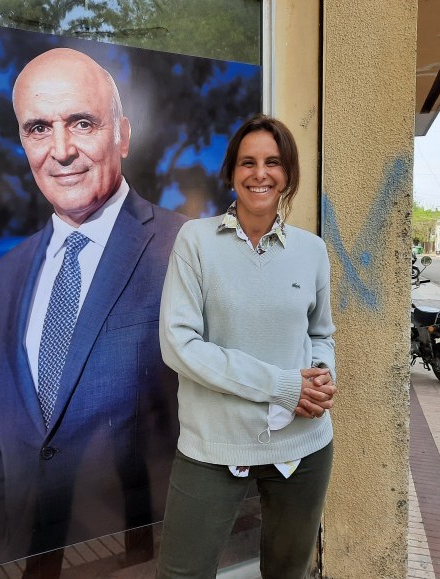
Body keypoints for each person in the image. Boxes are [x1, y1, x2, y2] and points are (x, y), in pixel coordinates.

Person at [0, 48, 186, 576]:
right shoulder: (1, 278)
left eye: (82, 123)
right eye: (39, 129)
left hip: (139, 558)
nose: (61, 150)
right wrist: (3, 543)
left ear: (123, 134)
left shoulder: (186, 248)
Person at [155, 114, 337, 579]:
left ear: (289, 174)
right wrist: (281, 385)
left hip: (302, 444)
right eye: (248, 162)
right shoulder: (196, 241)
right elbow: (178, 344)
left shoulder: (312, 250)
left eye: (273, 162)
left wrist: (319, 376)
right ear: (232, 174)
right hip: (214, 442)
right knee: (182, 573)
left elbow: (320, 333)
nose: (260, 173)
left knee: (288, 571)